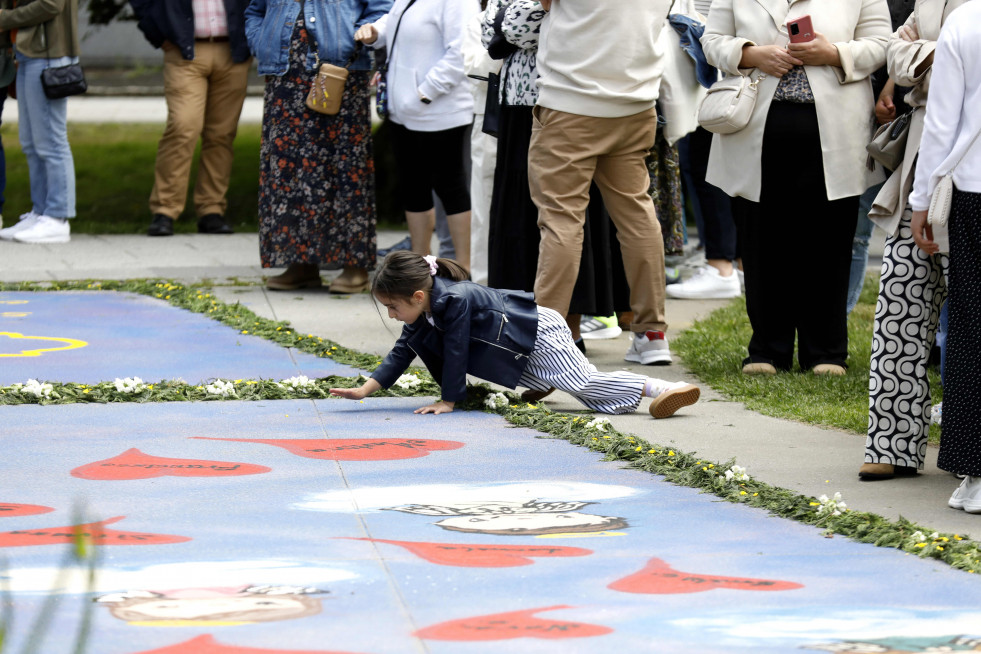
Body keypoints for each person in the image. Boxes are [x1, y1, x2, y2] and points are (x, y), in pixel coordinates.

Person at [701, 0, 890, 376]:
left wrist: (834, 53)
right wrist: (752, 54)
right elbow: (711, 40)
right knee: (761, 240)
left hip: (837, 133)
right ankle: (767, 350)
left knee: (830, 242)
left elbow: (882, 43)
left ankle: (827, 352)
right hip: (754, 127)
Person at [329, 251, 701, 417]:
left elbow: (457, 349)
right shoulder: (425, 309)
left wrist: (449, 400)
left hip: (539, 332)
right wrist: (365, 389)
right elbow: (401, 352)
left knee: (585, 386)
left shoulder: (453, 300)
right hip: (522, 338)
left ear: (418, 295)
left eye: (393, 307)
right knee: (563, 380)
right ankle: (545, 380)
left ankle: (661, 389)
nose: (393, 316)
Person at [529, 0, 673, 367]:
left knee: (561, 221)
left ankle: (547, 339)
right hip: (635, 101)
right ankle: (652, 333)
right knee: (637, 217)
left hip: (570, 101)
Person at [859, 0, 963, 481]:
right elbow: (894, 60)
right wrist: (944, 55)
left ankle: (967, 442)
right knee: (900, 298)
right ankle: (892, 443)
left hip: (970, 160)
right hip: (922, 164)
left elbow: (913, 58)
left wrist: (929, 54)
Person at [245, 0, 388, 293]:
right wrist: (260, 41)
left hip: (339, 74)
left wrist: (359, 37)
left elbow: (382, 9)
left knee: (345, 168)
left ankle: (354, 264)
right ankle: (301, 262)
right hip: (285, 78)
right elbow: (254, 10)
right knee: (288, 171)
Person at [902, 0, 981, 510]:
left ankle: (974, 473)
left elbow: (940, 122)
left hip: (974, 189)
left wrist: (921, 200)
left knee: (973, 327)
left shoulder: (967, 20)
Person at [355, 0, 477, 272]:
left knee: (451, 186)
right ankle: (420, 266)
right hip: (404, 111)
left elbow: (462, 51)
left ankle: (463, 268)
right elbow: (396, 22)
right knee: (414, 186)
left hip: (440, 111)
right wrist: (375, 31)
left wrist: (425, 91)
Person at [130, 0, 251, 238]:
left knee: (222, 134)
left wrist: (252, 39)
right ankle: (165, 210)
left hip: (234, 51)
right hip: (184, 50)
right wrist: (158, 35)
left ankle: (211, 210)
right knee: (183, 126)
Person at [0, 0, 79, 244]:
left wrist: (5, 18)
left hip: (49, 55)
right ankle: (41, 212)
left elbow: (50, 4)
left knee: (51, 141)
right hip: (27, 54)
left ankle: (57, 217)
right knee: (31, 142)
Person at [461, 0, 498, 286]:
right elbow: (475, 67)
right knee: (484, 206)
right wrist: (508, 41)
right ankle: (484, 288)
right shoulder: (481, 21)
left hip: (540, 118)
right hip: (490, 118)